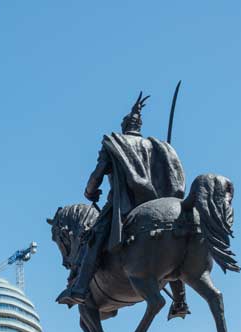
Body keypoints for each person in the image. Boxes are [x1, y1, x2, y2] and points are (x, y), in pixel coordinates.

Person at [56, 91, 189, 319]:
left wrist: (90, 192)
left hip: (125, 207)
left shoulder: (114, 143)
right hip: (158, 203)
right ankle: (180, 300)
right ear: (139, 126)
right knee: (172, 240)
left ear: (125, 125)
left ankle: (79, 287)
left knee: (93, 237)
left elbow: (97, 175)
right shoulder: (155, 146)